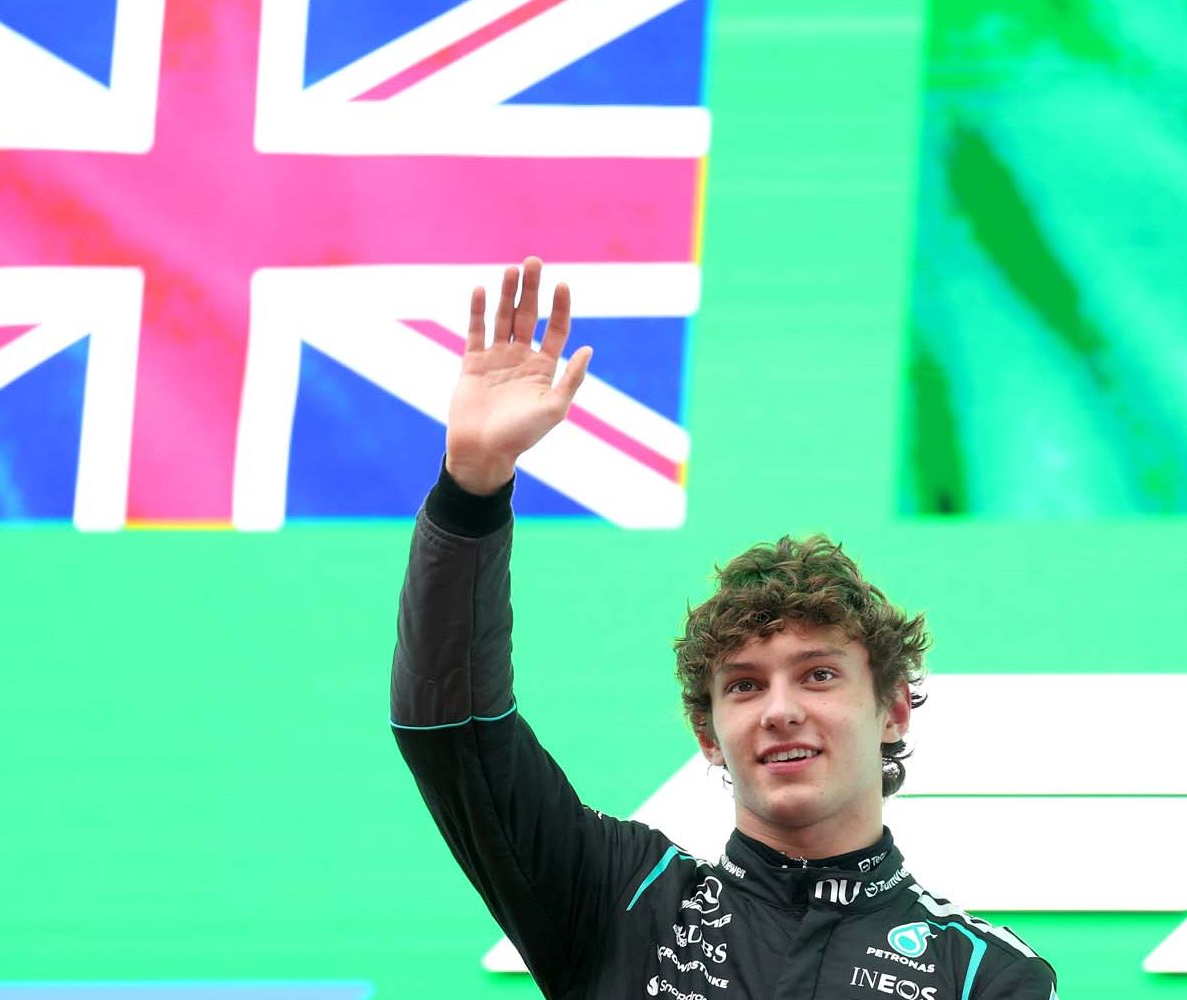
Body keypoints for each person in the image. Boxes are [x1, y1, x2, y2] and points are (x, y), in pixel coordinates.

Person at [391, 257, 1057, 999]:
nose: (779, 709)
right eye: (743, 686)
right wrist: (472, 489)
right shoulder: (620, 902)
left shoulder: (981, 977)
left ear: (893, 709)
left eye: (820, 674)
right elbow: (454, 732)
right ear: (709, 734)